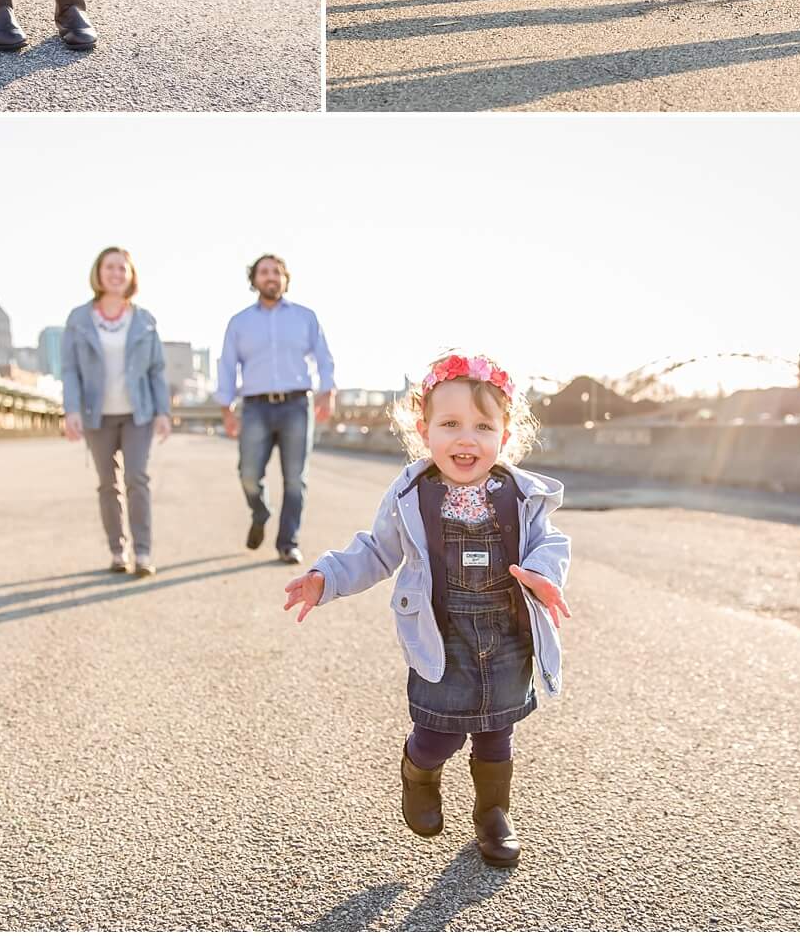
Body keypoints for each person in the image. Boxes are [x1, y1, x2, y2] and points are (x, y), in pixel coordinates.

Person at [283, 351, 571, 869]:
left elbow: (549, 544)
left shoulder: (518, 494)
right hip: (443, 636)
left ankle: (492, 814)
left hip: (505, 636)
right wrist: (327, 577)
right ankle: (420, 770)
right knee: (441, 732)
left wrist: (545, 577)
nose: (467, 439)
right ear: (425, 430)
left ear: (505, 435)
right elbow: (376, 550)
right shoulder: (412, 495)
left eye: (484, 426)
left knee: (495, 733)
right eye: (451, 424)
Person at [215, 254, 335, 564]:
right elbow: (227, 366)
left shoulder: (305, 317)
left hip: (297, 404)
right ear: (253, 280)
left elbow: (324, 357)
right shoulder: (239, 322)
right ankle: (260, 510)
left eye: (277, 272)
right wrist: (226, 409)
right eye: (264, 272)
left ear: (285, 279)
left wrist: (327, 391)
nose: (271, 277)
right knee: (249, 475)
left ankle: (287, 542)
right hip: (255, 407)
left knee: (296, 478)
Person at [59, 246, 171, 577]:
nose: (116, 273)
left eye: (122, 268)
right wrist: (72, 410)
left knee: (137, 478)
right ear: (98, 272)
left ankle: (143, 551)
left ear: (131, 275)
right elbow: (69, 369)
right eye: (110, 267)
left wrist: (163, 411)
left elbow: (157, 370)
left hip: (138, 414)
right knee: (107, 483)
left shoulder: (144, 320)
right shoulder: (79, 319)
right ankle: (117, 550)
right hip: (97, 415)